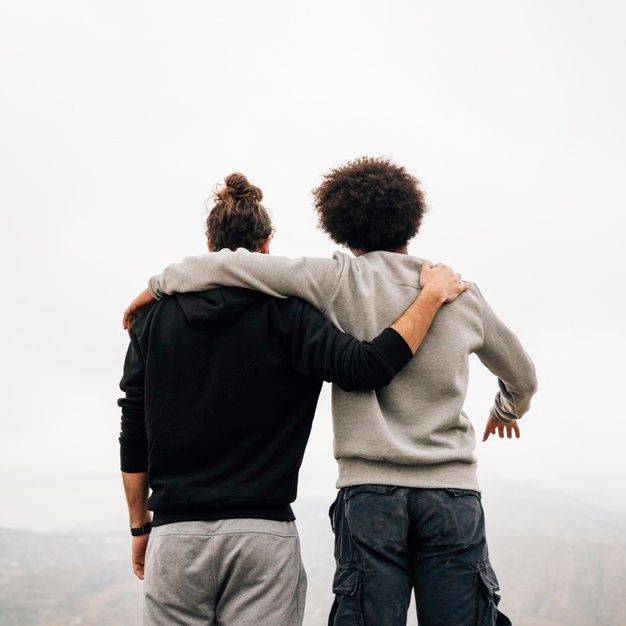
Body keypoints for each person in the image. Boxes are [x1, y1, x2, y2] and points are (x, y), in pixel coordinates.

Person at [124, 158, 537, 625]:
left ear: (339, 224)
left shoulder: (335, 281)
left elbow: (239, 267)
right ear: (412, 218)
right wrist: (507, 407)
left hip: (368, 494)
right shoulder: (460, 292)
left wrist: (160, 286)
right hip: (451, 493)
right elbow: (523, 375)